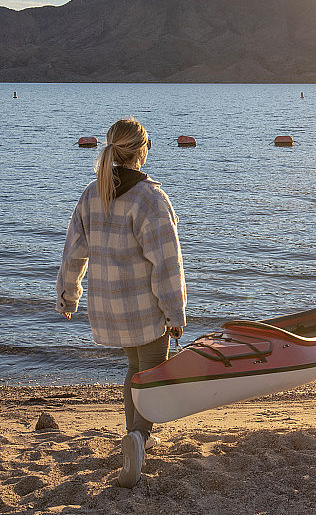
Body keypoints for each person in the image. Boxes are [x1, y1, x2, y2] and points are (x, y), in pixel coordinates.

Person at [56, 117, 187, 488]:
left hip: (111, 306)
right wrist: (175, 313)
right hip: (145, 307)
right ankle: (139, 438)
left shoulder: (92, 193)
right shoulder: (150, 199)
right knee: (152, 373)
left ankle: (134, 435)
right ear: (142, 151)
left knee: (135, 368)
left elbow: (73, 252)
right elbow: (167, 264)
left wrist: (68, 296)